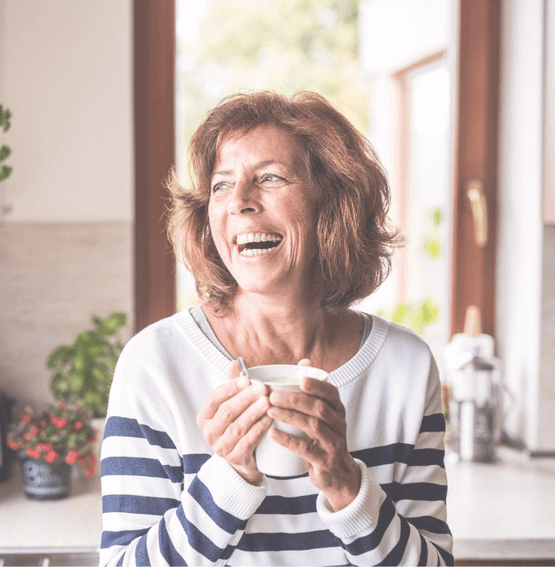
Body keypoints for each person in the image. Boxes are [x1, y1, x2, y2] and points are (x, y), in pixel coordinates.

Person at [99, 91, 452, 566]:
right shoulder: (155, 364)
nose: (240, 202)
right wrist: (229, 477)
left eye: (269, 178)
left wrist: (347, 486)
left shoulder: (404, 368)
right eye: (222, 185)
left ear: (332, 203)